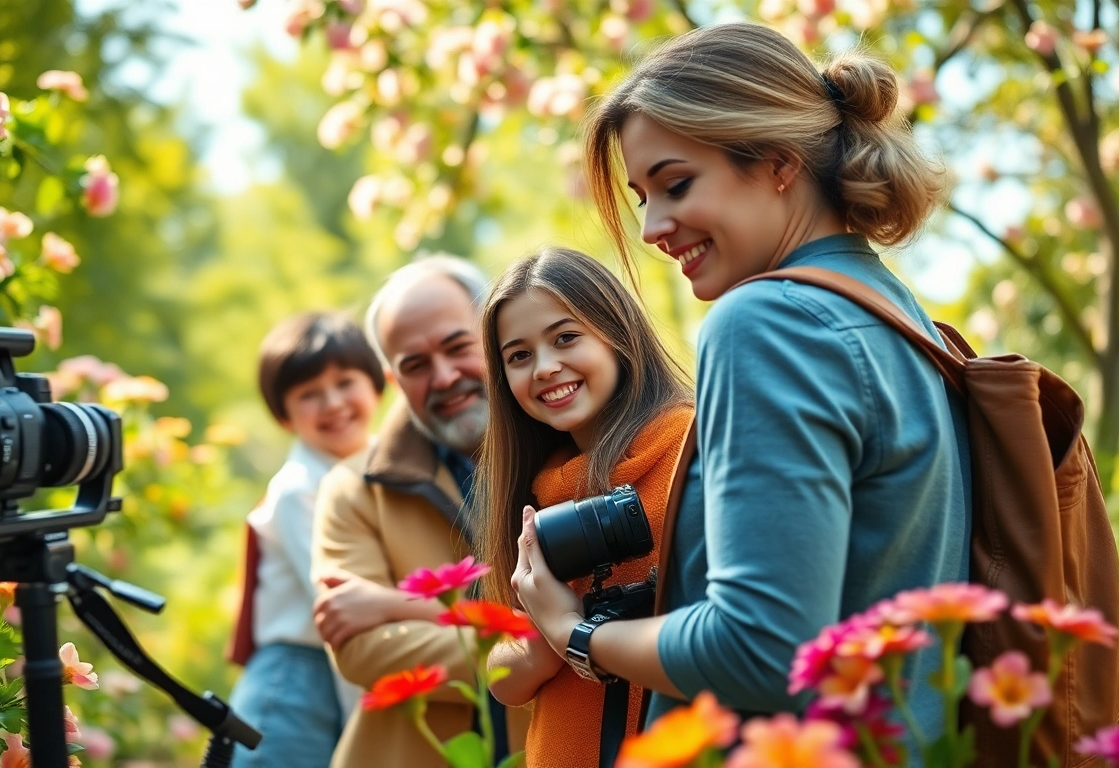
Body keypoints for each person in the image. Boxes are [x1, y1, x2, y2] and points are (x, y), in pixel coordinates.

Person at [509, 20, 972, 752]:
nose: (655, 228)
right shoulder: (897, 315)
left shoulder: (766, 323)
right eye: (642, 199)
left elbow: (760, 647)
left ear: (780, 163)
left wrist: (576, 633)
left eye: (677, 184)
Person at [475, 247, 693, 768]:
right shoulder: (539, 487)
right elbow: (503, 681)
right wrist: (552, 627)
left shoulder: (691, 449)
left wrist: (572, 629)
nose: (546, 368)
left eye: (566, 337)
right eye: (519, 356)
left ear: (616, 333)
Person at [310, 256, 529, 768]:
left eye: (458, 347)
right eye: (415, 365)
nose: (446, 377)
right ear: (392, 379)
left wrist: (395, 604)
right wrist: (530, 651)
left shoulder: (573, 450)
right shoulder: (350, 489)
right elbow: (362, 647)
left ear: (495, 335)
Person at [225, 312, 387, 768]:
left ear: (376, 384)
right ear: (284, 415)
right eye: (309, 394)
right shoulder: (300, 488)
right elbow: (340, 605)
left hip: (341, 671)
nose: (333, 403)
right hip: (295, 682)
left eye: (344, 382)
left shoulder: (381, 465)